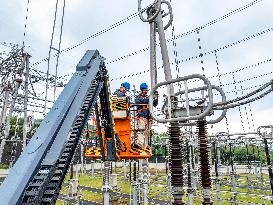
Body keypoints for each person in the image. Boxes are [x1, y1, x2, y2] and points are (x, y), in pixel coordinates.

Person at [133, 83, 158, 152]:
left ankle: (145, 146)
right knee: (141, 130)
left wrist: (156, 97)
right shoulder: (138, 98)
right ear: (141, 90)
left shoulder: (148, 98)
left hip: (149, 117)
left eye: (147, 90)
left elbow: (155, 104)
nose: (146, 91)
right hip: (142, 117)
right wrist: (151, 97)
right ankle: (139, 144)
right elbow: (143, 101)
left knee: (147, 132)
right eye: (145, 90)